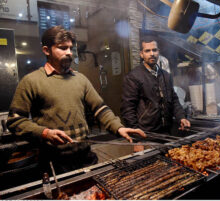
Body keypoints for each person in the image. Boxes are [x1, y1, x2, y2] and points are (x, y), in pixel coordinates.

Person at [6, 26, 146, 174]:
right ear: (46, 50)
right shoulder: (31, 81)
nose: (69, 53)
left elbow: (100, 109)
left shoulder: (80, 79)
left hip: (85, 157)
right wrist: (45, 133)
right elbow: (15, 121)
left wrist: (118, 127)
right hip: (54, 161)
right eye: (62, 48)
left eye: (70, 48)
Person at [120, 36, 190, 133]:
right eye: (147, 51)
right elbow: (128, 109)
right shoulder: (133, 77)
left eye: (154, 50)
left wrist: (181, 117)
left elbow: (173, 100)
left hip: (166, 131)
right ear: (141, 54)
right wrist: (136, 138)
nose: (152, 54)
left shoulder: (166, 76)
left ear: (158, 52)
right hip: (145, 133)